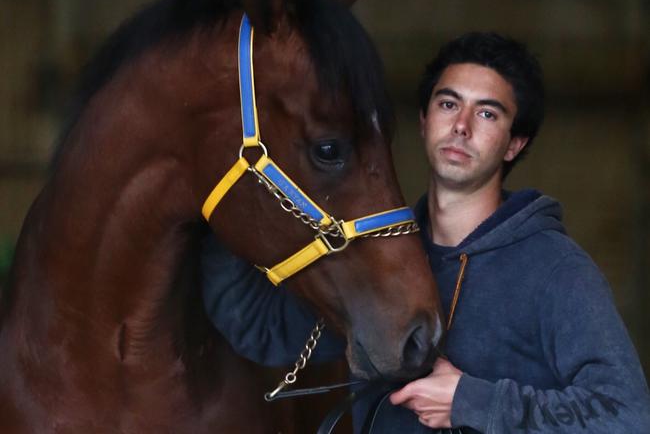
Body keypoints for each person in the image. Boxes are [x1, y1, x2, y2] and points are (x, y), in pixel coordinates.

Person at [201, 32, 650, 433]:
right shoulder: (380, 259)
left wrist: (471, 403)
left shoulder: (556, 270)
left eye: (488, 114)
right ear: (423, 120)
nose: (461, 126)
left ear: (515, 144)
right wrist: (220, 193)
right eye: (448, 103)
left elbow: (628, 416)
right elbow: (259, 326)